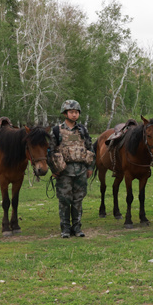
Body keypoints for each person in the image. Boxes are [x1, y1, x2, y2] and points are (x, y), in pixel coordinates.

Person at [50, 100, 95, 238]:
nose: (74, 114)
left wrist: (90, 167)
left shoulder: (82, 130)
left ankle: (77, 228)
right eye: (71, 112)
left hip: (81, 170)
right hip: (64, 171)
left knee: (78, 200)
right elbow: (51, 151)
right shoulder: (57, 130)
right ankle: (65, 229)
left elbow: (90, 148)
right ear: (65, 113)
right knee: (64, 200)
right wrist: (54, 169)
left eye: (76, 112)